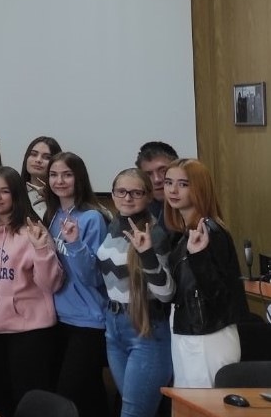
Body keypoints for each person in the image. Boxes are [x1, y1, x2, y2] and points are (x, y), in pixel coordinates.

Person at [0, 166, 63, 417]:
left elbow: (52, 284)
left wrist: (41, 250)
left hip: (29, 334)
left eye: (4, 191)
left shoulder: (33, 231)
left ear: (16, 195)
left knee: (28, 404)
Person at [96, 168, 175, 417]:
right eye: (121, 191)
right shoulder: (113, 225)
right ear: (113, 194)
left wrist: (147, 254)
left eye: (136, 193)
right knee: (135, 409)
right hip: (114, 328)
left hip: (146, 329)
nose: (127, 198)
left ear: (149, 196)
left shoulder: (155, 234)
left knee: (133, 413)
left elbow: (166, 293)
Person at [164, 158, 246, 388]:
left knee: (205, 402)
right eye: (169, 182)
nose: (173, 190)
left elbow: (220, 295)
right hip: (188, 330)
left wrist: (198, 256)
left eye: (183, 184)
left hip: (208, 336)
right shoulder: (183, 232)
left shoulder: (210, 231)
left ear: (200, 188)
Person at [43, 152, 109, 417]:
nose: (59, 181)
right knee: (90, 396)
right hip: (60, 318)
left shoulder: (92, 218)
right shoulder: (54, 215)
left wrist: (75, 243)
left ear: (79, 178)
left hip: (87, 322)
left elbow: (93, 276)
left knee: (67, 395)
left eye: (67, 175)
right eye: (54, 175)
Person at [137, 142, 178, 228]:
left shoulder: (196, 210)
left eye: (163, 171)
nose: (157, 180)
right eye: (148, 174)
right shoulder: (139, 211)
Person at [19, 136, 61, 218]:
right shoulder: (14, 192)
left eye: (47, 157)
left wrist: (52, 199)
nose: (38, 160)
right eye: (33, 154)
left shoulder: (63, 196)